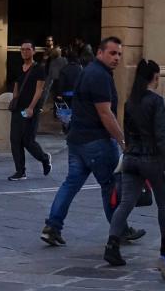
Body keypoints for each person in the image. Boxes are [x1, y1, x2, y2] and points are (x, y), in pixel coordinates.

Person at [41, 35, 125, 247]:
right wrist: (122, 140)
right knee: (110, 185)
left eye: (119, 54)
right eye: (112, 53)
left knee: (71, 184)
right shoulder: (100, 76)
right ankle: (119, 229)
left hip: (77, 140)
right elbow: (105, 113)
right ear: (99, 52)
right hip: (96, 141)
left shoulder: (88, 71)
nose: (117, 58)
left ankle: (52, 227)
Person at [104, 59, 165, 278]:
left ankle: (112, 244)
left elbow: (128, 132)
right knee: (164, 203)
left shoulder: (130, 102)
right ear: (155, 77)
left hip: (131, 158)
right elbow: (162, 135)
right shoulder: (157, 101)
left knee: (126, 203)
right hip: (153, 159)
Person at [9, 40, 51, 180]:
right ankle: (20, 171)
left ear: (33, 51)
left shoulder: (39, 69)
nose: (25, 52)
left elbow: (39, 90)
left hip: (31, 108)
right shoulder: (18, 67)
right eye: (22, 49)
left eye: (28, 49)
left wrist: (31, 107)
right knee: (15, 139)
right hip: (18, 109)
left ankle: (44, 158)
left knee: (28, 140)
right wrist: (14, 101)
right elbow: (16, 87)